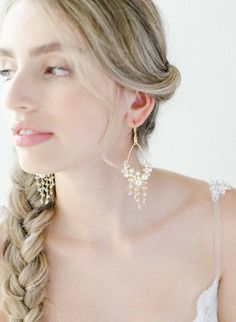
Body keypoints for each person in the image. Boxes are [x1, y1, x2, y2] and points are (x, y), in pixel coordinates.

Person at [0, 0, 235, 321]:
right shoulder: (7, 256)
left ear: (136, 101)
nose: (13, 99)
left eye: (55, 68)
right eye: (7, 71)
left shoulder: (223, 229)